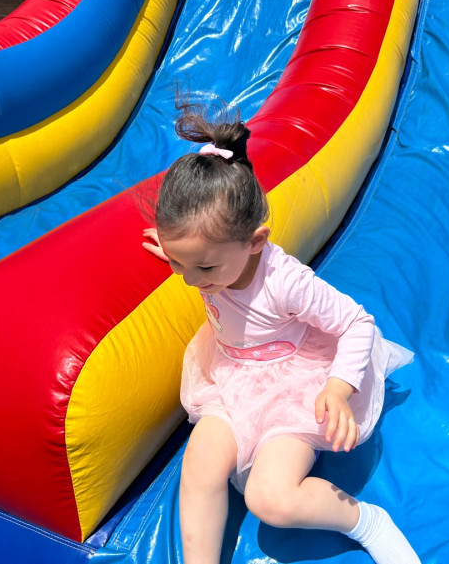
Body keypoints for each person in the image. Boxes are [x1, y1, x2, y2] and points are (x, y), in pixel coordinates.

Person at [142, 99, 420, 564]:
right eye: (177, 263)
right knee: (199, 466)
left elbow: (357, 323)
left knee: (270, 499)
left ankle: (365, 520)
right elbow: (196, 250)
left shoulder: (285, 281)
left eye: (203, 267)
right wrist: (182, 253)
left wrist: (338, 388)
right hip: (230, 376)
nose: (189, 280)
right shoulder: (210, 256)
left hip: (293, 385)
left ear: (255, 242)